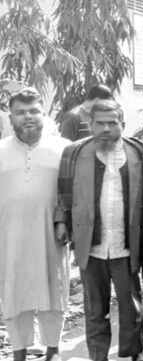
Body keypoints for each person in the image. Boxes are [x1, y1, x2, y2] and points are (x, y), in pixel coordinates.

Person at [55, 99, 143, 361]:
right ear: (90, 124)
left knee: (131, 304)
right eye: (99, 123)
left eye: (112, 123)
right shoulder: (74, 152)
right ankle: (98, 356)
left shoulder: (138, 150)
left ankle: (135, 352)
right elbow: (64, 191)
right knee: (95, 307)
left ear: (123, 124)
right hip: (90, 242)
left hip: (127, 241)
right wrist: (62, 222)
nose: (106, 128)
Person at [0, 88, 71, 361]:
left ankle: (53, 350)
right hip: (9, 236)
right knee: (14, 292)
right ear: (10, 117)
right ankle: (19, 351)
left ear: (44, 114)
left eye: (34, 111)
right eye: (20, 112)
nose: (27, 117)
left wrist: (63, 219)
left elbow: (71, 192)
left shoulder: (63, 148)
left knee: (54, 291)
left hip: (50, 234)